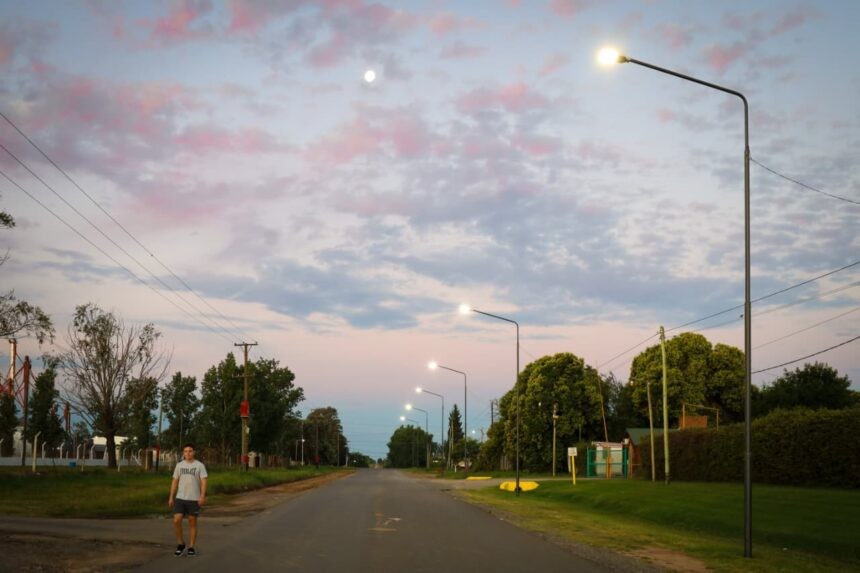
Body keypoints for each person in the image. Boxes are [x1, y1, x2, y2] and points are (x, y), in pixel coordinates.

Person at [168, 442, 208, 557]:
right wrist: (171, 496)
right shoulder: (179, 465)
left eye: (190, 451)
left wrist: (202, 496)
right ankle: (181, 544)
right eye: (185, 451)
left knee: (192, 522)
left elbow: (204, 482)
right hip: (180, 498)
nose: (188, 453)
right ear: (183, 453)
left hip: (194, 499)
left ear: (194, 452)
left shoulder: (199, 465)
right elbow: (174, 481)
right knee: (176, 520)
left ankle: (191, 547)